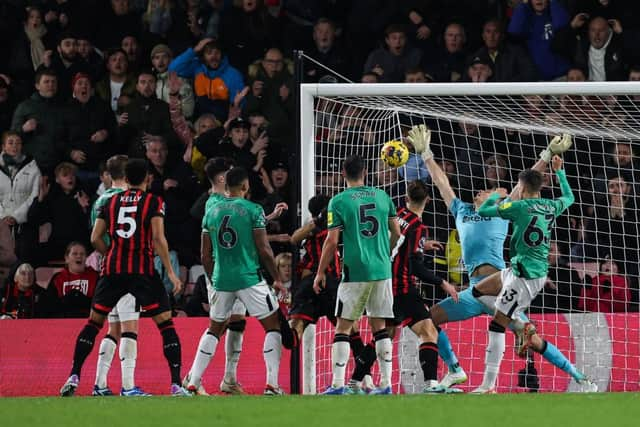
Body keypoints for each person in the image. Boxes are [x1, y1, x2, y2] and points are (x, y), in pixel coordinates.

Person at [409, 124, 596, 392]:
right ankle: (455, 370)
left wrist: (546, 155)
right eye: (483, 191)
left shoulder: (505, 210)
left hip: (500, 284)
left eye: (490, 190)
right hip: (474, 292)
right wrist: (426, 152)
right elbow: (441, 183)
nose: (481, 191)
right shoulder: (461, 210)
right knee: (430, 319)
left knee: (533, 340)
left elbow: (528, 182)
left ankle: (578, 376)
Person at [60, 158, 189, 397]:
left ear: (125, 178)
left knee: (96, 324)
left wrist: (110, 254)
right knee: (165, 325)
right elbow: (159, 239)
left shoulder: (108, 201)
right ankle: (171, 384)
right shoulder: (153, 201)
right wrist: (171, 272)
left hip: (111, 271)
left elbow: (94, 237)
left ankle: (76, 375)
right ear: (148, 178)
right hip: (141, 271)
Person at [471, 155, 586, 393]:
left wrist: (493, 196)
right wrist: (560, 171)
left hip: (525, 278)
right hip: (520, 270)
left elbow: (483, 211)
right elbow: (570, 197)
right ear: (540, 187)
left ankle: (488, 386)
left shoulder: (517, 207)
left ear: (521, 188)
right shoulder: (551, 206)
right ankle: (521, 323)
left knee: (496, 326)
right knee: (478, 291)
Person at [347, 180, 459, 394]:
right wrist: (441, 282)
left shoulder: (396, 214)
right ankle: (431, 384)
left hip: (383, 284)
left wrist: (421, 244)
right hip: (403, 287)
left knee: (384, 334)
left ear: (406, 198)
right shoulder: (418, 226)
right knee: (428, 331)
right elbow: (415, 265)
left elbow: (394, 242)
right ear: (428, 199)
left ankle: (353, 383)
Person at [185, 166, 286, 396]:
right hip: (249, 277)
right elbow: (264, 248)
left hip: (221, 279)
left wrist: (213, 280)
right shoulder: (253, 209)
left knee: (214, 329)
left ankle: (193, 381)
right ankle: (271, 385)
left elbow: (204, 254)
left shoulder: (211, 211)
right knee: (272, 326)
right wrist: (278, 279)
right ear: (245, 186)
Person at [313, 154, 401, 395]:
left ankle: (338, 384)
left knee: (343, 327)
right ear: (365, 173)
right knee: (379, 326)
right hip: (382, 270)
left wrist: (320, 272)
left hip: (355, 271)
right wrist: (386, 251)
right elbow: (396, 232)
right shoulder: (383, 196)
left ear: (343, 174)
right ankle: (386, 384)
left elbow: (331, 242)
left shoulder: (339, 201)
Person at [182, 157, 249, 396]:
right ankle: (193, 377)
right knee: (218, 325)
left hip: (237, 269)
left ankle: (230, 378)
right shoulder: (214, 203)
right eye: (229, 172)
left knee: (237, 321)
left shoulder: (225, 201)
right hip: (222, 272)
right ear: (222, 178)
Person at [86, 154, 147, 396]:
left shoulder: (100, 201)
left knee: (113, 329)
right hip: (129, 270)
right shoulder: (130, 201)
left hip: (106, 271)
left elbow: (95, 237)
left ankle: (100, 384)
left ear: (110, 175)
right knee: (130, 329)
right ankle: (129, 386)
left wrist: (109, 254)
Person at [50, 242, 99, 318]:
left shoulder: (95, 277)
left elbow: (100, 303)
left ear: (86, 258)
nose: (79, 256)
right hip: (62, 322)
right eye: (75, 254)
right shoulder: (57, 279)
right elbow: (49, 306)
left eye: (82, 254)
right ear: (66, 258)